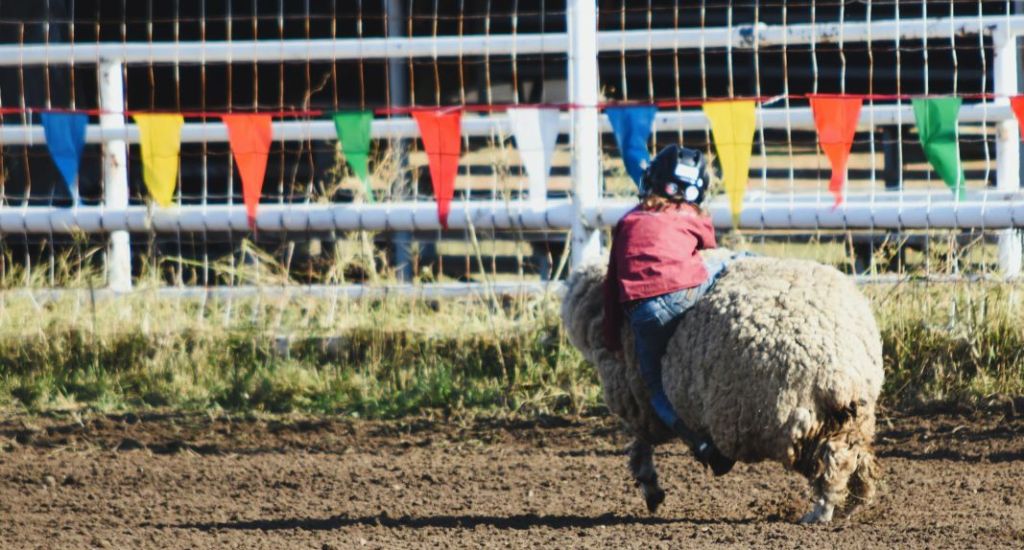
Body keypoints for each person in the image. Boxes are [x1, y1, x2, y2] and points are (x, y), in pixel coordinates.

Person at [602, 144, 735, 476]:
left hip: (644, 310)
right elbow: (709, 251)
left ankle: (696, 441)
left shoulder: (629, 220)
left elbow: (611, 287)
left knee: (655, 388)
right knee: (731, 262)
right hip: (684, 293)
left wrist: (612, 339)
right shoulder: (692, 216)